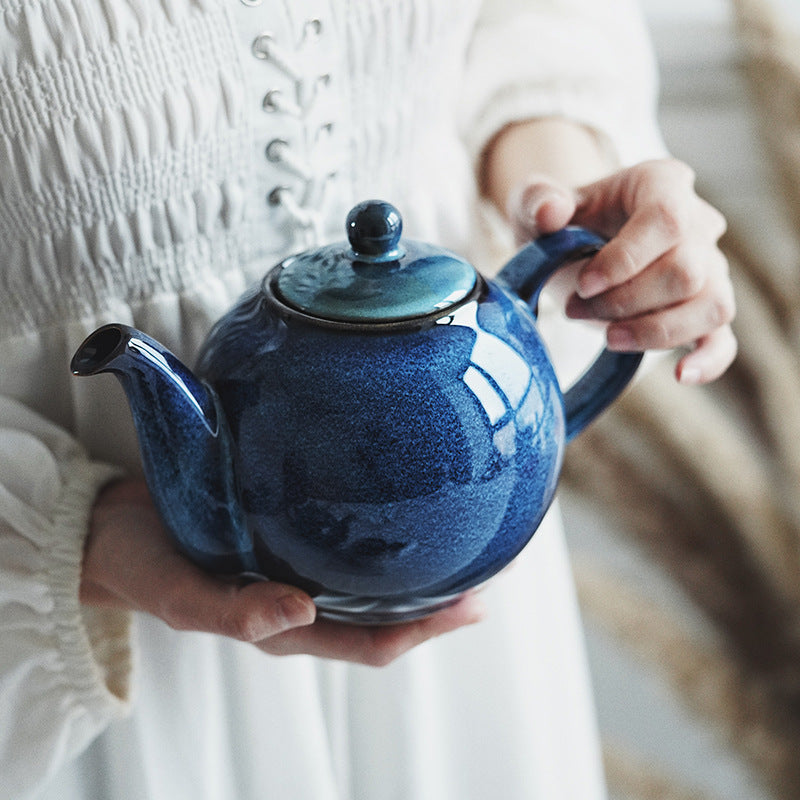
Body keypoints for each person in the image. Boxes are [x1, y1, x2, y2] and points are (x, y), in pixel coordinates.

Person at [0, 0, 735, 798]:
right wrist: (68, 531)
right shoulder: (255, 341)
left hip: (472, 597)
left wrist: (567, 190)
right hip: (85, 637)